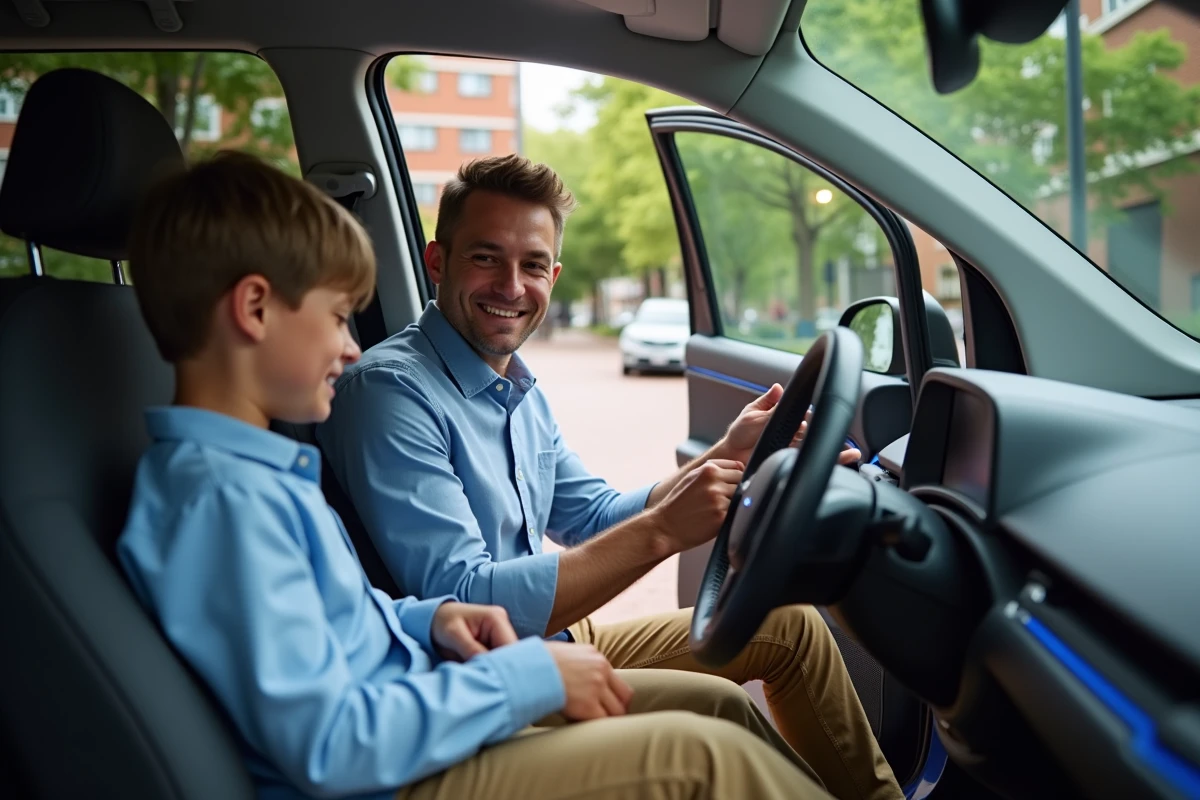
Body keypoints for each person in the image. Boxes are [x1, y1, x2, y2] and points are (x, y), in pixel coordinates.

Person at [115, 151, 840, 800]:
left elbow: (346, 616)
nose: (347, 348)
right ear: (253, 308)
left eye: (533, 266)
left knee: (730, 701)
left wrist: (426, 619)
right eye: (339, 318)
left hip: (442, 677)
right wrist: (525, 675)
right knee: (704, 752)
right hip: (403, 758)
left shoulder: (257, 472)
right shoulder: (228, 496)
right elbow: (328, 740)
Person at [317, 154, 903, 800]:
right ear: (437, 262)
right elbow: (465, 596)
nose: (512, 286)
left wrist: (728, 457)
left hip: (560, 632)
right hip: (482, 669)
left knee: (791, 627)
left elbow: (591, 515)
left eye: (533, 265)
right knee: (719, 714)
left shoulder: (513, 382)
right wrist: (661, 531)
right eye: (486, 258)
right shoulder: (389, 392)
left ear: (554, 275)